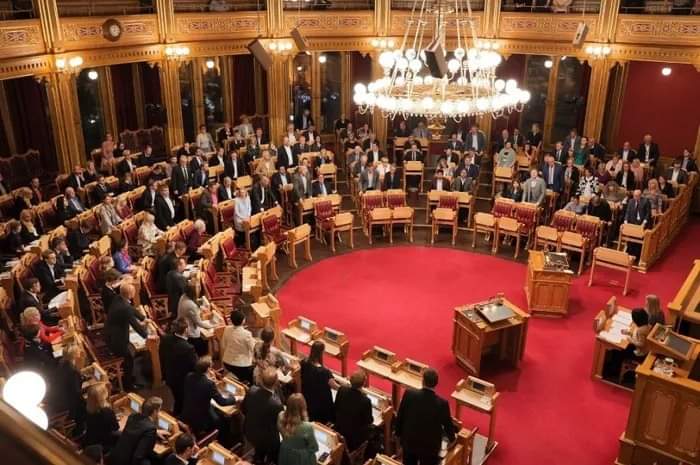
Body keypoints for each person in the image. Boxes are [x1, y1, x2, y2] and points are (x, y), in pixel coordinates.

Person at [395, 368, 456, 465]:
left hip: (410, 442)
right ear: (436, 384)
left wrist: (398, 436)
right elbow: (448, 424)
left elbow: (400, 416)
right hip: (430, 448)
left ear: (422, 381)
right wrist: (452, 440)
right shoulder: (442, 404)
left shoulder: (409, 394)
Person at [105, 284, 148, 390]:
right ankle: (128, 384)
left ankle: (129, 377)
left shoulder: (118, 298)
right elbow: (136, 326)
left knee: (131, 354)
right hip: (117, 340)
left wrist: (143, 318)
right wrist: (147, 336)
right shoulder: (125, 308)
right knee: (129, 359)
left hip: (111, 334)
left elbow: (132, 309)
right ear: (130, 294)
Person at [181, 356, 236, 436]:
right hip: (201, 418)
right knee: (222, 421)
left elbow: (199, 390)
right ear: (208, 369)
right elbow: (222, 402)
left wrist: (210, 380)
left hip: (188, 413)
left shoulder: (189, 376)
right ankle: (224, 438)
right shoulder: (208, 384)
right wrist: (235, 398)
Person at [242, 367, 284, 465]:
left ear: (261, 380)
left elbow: (244, 409)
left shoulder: (251, 390)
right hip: (267, 439)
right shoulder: (276, 404)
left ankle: (258, 458)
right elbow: (280, 425)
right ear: (276, 383)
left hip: (249, 432)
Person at [108, 396, 163, 465]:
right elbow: (139, 455)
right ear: (155, 411)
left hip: (116, 457)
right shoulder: (150, 429)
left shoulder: (133, 416)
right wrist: (153, 433)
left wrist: (155, 432)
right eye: (159, 410)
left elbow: (139, 428)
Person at [160, 318, 197, 415]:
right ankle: (180, 417)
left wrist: (164, 376)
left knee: (177, 398)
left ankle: (177, 414)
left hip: (170, 376)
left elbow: (162, 358)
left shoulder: (165, 339)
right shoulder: (188, 348)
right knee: (182, 401)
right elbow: (195, 366)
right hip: (183, 380)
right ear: (185, 330)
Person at [334, 371, 372, 453]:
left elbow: (336, 407)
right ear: (363, 383)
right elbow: (369, 421)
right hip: (354, 439)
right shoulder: (365, 400)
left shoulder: (342, 390)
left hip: (339, 429)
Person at [300, 340, 338, 424]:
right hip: (319, 404)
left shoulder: (304, 362)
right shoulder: (324, 371)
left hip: (307, 397)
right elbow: (334, 386)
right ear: (321, 353)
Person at [278, 394, 319, 465]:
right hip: (300, 458)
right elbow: (314, 448)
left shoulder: (280, 416)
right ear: (303, 407)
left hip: (285, 453)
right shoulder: (307, 427)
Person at [53, 344, 86, 429]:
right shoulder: (73, 371)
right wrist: (88, 389)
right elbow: (77, 393)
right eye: (79, 352)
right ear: (75, 355)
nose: (80, 353)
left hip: (60, 397)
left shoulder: (61, 363)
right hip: (69, 403)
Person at [220, 310, 256, 384]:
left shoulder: (227, 329)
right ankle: (247, 387)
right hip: (242, 366)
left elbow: (223, 345)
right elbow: (253, 349)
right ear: (243, 321)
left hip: (227, 362)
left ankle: (232, 387)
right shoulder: (247, 334)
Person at [177, 284, 213, 356]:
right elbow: (199, 322)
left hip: (182, 327)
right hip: (190, 334)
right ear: (193, 291)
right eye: (198, 287)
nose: (200, 289)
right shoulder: (191, 305)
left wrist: (200, 308)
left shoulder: (183, 296)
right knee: (205, 344)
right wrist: (212, 325)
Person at [84, 383, 120, 453]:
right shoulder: (107, 412)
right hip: (103, 444)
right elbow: (116, 428)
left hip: (90, 440)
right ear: (102, 397)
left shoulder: (88, 408)